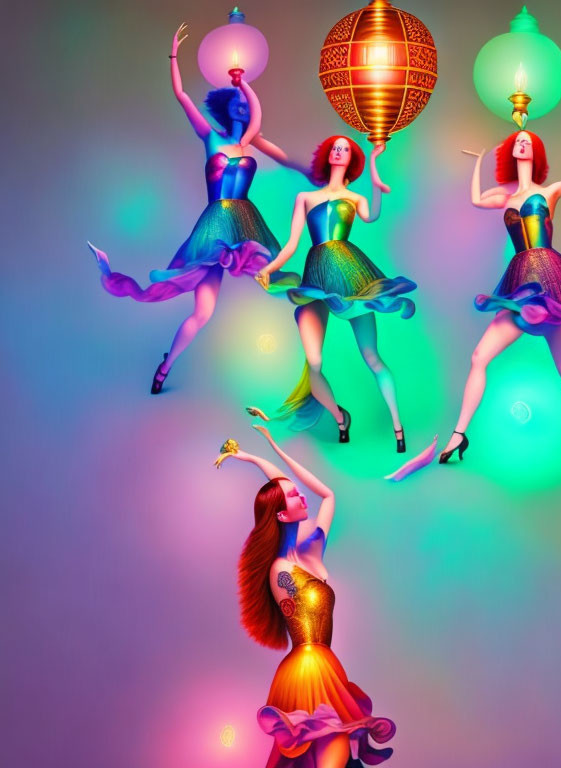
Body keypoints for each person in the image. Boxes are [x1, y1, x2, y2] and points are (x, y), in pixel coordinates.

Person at [88, 23, 306, 394]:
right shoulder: (211, 137)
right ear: (225, 109)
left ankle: (309, 369)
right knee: (202, 313)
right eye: (235, 101)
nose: (241, 105)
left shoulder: (251, 140)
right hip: (213, 229)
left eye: (242, 102)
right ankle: (166, 366)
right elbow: (181, 95)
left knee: (280, 285)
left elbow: (256, 117)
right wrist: (174, 54)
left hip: (246, 226)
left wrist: (244, 83)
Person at [440, 87, 561, 479]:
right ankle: (458, 435)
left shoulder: (550, 192)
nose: (522, 144)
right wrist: (479, 162)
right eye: (517, 141)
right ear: (511, 152)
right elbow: (474, 199)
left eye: (527, 142)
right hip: (520, 284)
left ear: (535, 153)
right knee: (478, 357)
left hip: (551, 281)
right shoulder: (504, 195)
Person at [215, 427, 396, 767]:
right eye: (294, 498)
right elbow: (288, 495)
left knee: (328, 752)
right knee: (331, 747)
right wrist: (266, 464)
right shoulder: (280, 570)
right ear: (283, 515)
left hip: (325, 664)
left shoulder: (310, 553)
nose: (302, 497)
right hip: (307, 669)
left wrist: (264, 452)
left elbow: (328, 495)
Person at [254, 136, 416, 453]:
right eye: (335, 147)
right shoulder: (305, 197)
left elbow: (372, 215)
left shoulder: (354, 198)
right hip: (316, 277)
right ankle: (340, 417)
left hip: (352, 275)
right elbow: (290, 245)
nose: (339, 151)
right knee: (313, 362)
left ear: (350, 158)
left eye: (345, 148)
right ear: (328, 155)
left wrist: (375, 171)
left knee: (372, 357)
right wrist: (269, 269)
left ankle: (398, 426)